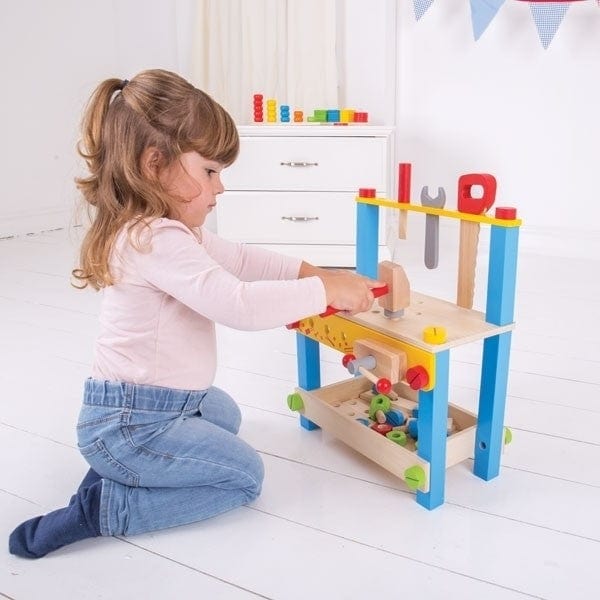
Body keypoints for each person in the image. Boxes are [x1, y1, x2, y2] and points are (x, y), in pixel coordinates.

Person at [9, 69, 382, 558]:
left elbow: (244, 260)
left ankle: (121, 465)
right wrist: (321, 289)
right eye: (210, 171)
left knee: (223, 413)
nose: (219, 188)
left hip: (155, 405)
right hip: (131, 421)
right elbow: (238, 304)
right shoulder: (154, 239)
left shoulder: (168, 230)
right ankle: (106, 506)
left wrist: (312, 271)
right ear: (154, 164)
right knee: (244, 478)